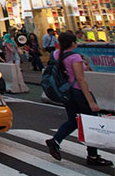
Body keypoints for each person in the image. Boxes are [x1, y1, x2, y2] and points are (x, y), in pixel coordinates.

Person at [46, 32, 112, 166]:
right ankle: (92, 155)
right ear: (73, 43)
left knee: (73, 120)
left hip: (65, 92)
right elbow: (80, 79)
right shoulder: (75, 57)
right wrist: (91, 101)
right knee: (91, 121)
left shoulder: (56, 54)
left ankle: (56, 140)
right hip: (78, 92)